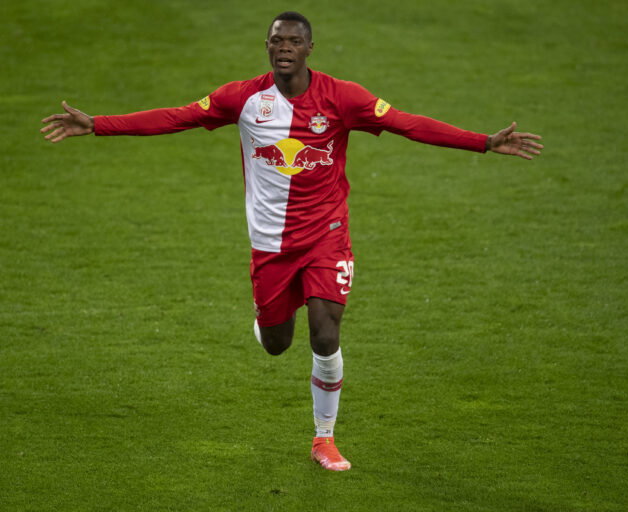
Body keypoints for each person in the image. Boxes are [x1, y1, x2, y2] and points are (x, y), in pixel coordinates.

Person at [40, 11, 543, 471]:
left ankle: (324, 438)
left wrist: (482, 141)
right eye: (277, 40)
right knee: (278, 344)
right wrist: (98, 125)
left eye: (294, 41)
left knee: (325, 333)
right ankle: (268, 322)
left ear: (309, 48)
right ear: (266, 47)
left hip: (327, 235)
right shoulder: (242, 98)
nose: (284, 47)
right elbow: (177, 117)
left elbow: (406, 124)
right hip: (270, 245)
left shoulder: (342, 98)